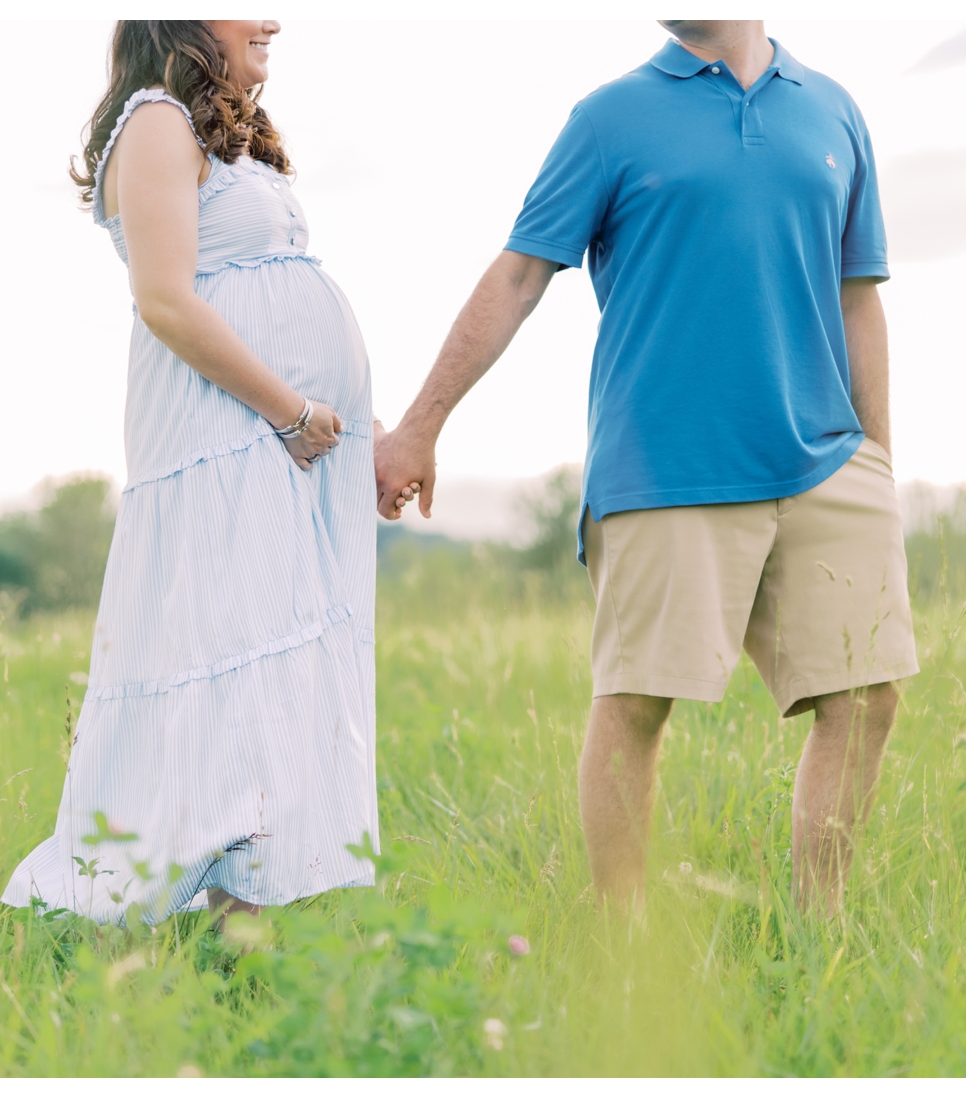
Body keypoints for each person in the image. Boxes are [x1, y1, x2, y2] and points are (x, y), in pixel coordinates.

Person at [375, 20, 918, 917]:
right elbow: (518, 276)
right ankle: (625, 955)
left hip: (828, 461)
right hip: (666, 466)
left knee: (868, 699)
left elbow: (859, 296)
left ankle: (823, 935)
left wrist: (879, 459)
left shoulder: (833, 111)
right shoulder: (609, 119)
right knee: (637, 706)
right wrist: (419, 426)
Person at [4, 20, 416, 927]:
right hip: (226, 440)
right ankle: (132, 920)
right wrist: (292, 412)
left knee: (270, 682)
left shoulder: (204, 130)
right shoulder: (154, 119)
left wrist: (359, 431)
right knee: (230, 676)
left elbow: (273, 291)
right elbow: (166, 299)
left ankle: (241, 924)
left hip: (280, 443)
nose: (272, 19)